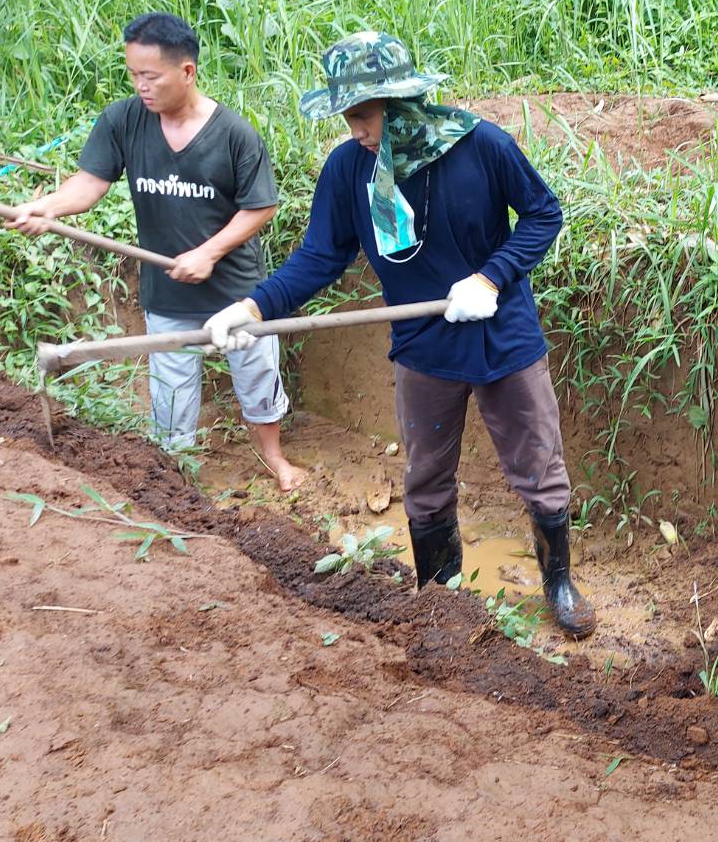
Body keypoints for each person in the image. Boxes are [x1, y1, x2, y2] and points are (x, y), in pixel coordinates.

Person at [202, 31, 595, 638]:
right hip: (423, 346)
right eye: (348, 118)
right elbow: (320, 256)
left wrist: (490, 277)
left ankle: (559, 583)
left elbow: (544, 214)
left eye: (365, 115)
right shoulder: (349, 170)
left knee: (539, 467)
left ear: (402, 101)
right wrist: (252, 308)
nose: (356, 130)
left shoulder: (481, 145)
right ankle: (439, 601)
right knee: (426, 479)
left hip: (503, 337)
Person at [9, 12, 305, 491]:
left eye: (150, 76)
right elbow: (90, 183)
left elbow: (261, 207)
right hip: (167, 294)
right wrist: (48, 208)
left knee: (257, 376)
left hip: (238, 293)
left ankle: (274, 458)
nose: (140, 86)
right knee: (171, 396)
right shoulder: (123, 121)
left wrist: (209, 252)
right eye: (133, 74)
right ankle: (177, 482)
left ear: (187, 71)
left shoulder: (234, 134)